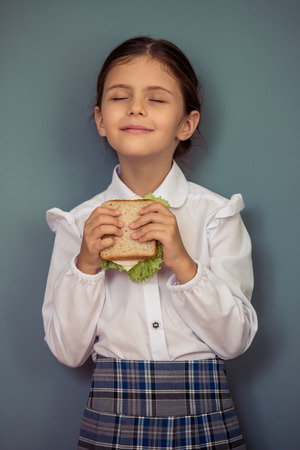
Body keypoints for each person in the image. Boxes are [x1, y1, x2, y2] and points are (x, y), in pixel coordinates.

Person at [42, 36, 258, 449]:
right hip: (111, 409)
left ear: (187, 124)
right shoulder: (78, 225)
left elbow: (235, 341)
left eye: (157, 99)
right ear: (101, 120)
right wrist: (86, 263)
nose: (136, 108)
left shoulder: (216, 216)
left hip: (204, 407)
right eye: (120, 96)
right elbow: (69, 352)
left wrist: (182, 261)